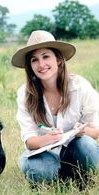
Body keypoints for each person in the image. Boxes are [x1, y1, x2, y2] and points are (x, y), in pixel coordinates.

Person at [11, 30, 99, 187]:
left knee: (86, 146)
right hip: (45, 153)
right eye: (34, 60)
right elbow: (29, 140)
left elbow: (96, 130)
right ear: (30, 66)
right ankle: (57, 174)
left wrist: (81, 131)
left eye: (46, 56)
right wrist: (48, 139)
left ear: (58, 59)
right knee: (41, 171)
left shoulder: (79, 86)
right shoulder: (25, 94)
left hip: (75, 149)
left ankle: (80, 176)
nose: (41, 64)